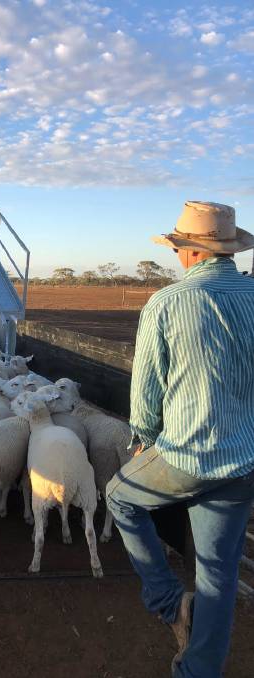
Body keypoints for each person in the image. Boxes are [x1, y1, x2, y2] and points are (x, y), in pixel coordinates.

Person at [106, 201, 254, 677]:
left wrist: (144, 439)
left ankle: (168, 602)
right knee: (218, 573)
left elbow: (146, 393)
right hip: (244, 460)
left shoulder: (167, 303)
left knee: (119, 498)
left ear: (189, 250)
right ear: (228, 250)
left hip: (187, 454)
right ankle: (198, 671)